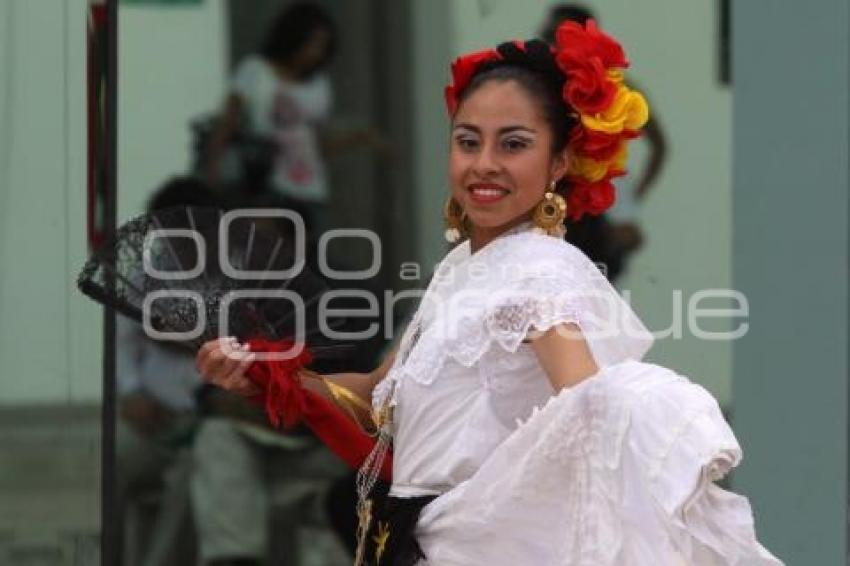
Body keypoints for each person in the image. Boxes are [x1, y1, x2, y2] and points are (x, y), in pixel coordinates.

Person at [195, 19, 782, 566]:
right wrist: (269, 373)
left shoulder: (538, 274)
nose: (484, 164)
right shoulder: (464, 267)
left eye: (514, 144)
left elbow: (590, 411)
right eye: (468, 141)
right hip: (418, 538)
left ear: (561, 160)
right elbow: (376, 399)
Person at [204, 1, 386, 235]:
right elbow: (226, 124)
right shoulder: (255, 70)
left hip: (310, 189)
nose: (315, 53)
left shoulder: (319, 83)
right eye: (311, 44)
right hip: (264, 187)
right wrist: (213, 172)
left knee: (309, 257)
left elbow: (319, 143)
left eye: (322, 47)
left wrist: (358, 138)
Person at [541, 3, 669, 282]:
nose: (553, 44)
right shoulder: (539, 86)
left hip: (593, 212)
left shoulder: (618, 89)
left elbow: (656, 146)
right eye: (550, 35)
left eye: (562, 38)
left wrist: (630, 204)